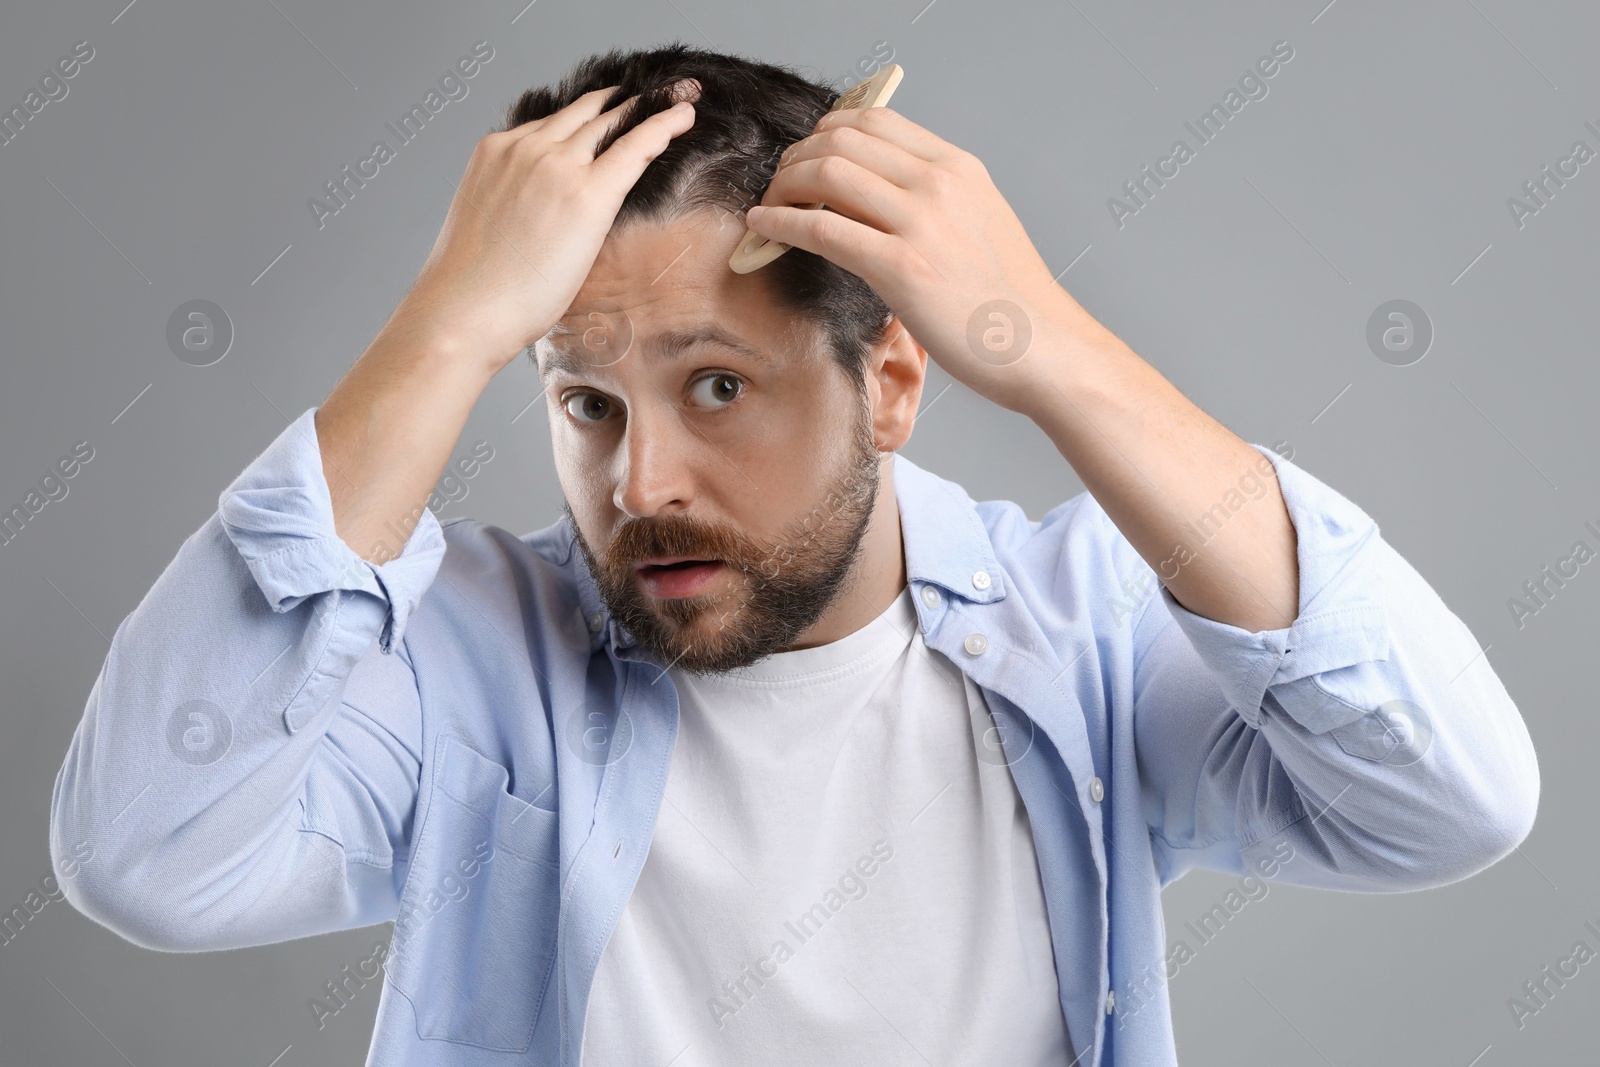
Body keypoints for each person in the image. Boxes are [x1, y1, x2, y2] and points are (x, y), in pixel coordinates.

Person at [49, 43, 1538, 1067]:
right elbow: (145, 856)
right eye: (583, 400)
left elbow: (1445, 800)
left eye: (717, 386)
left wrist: (1052, 344)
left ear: (890, 380)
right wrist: (444, 326)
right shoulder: (456, 653)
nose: (642, 480)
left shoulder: (1077, 627)